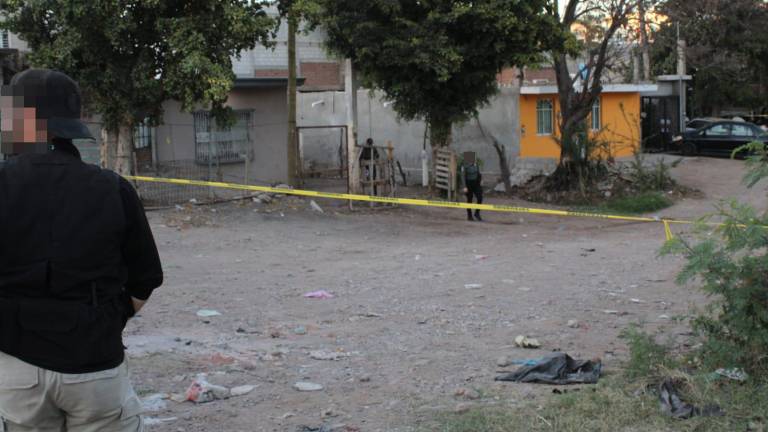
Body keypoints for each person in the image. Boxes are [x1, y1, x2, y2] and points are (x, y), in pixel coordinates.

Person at [0, 69, 163, 431]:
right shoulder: (112, 188)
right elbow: (146, 278)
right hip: (95, 365)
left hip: (16, 371)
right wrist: (110, 317)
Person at [460, 151, 483, 221]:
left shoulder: (476, 165)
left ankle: (477, 213)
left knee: (480, 197)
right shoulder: (464, 166)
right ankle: (469, 216)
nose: (474, 159)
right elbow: (462, 176)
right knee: (469, 199)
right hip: (468, 184)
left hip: (476, 183)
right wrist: (464, 187)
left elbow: (479, 173)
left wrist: (481, 181)